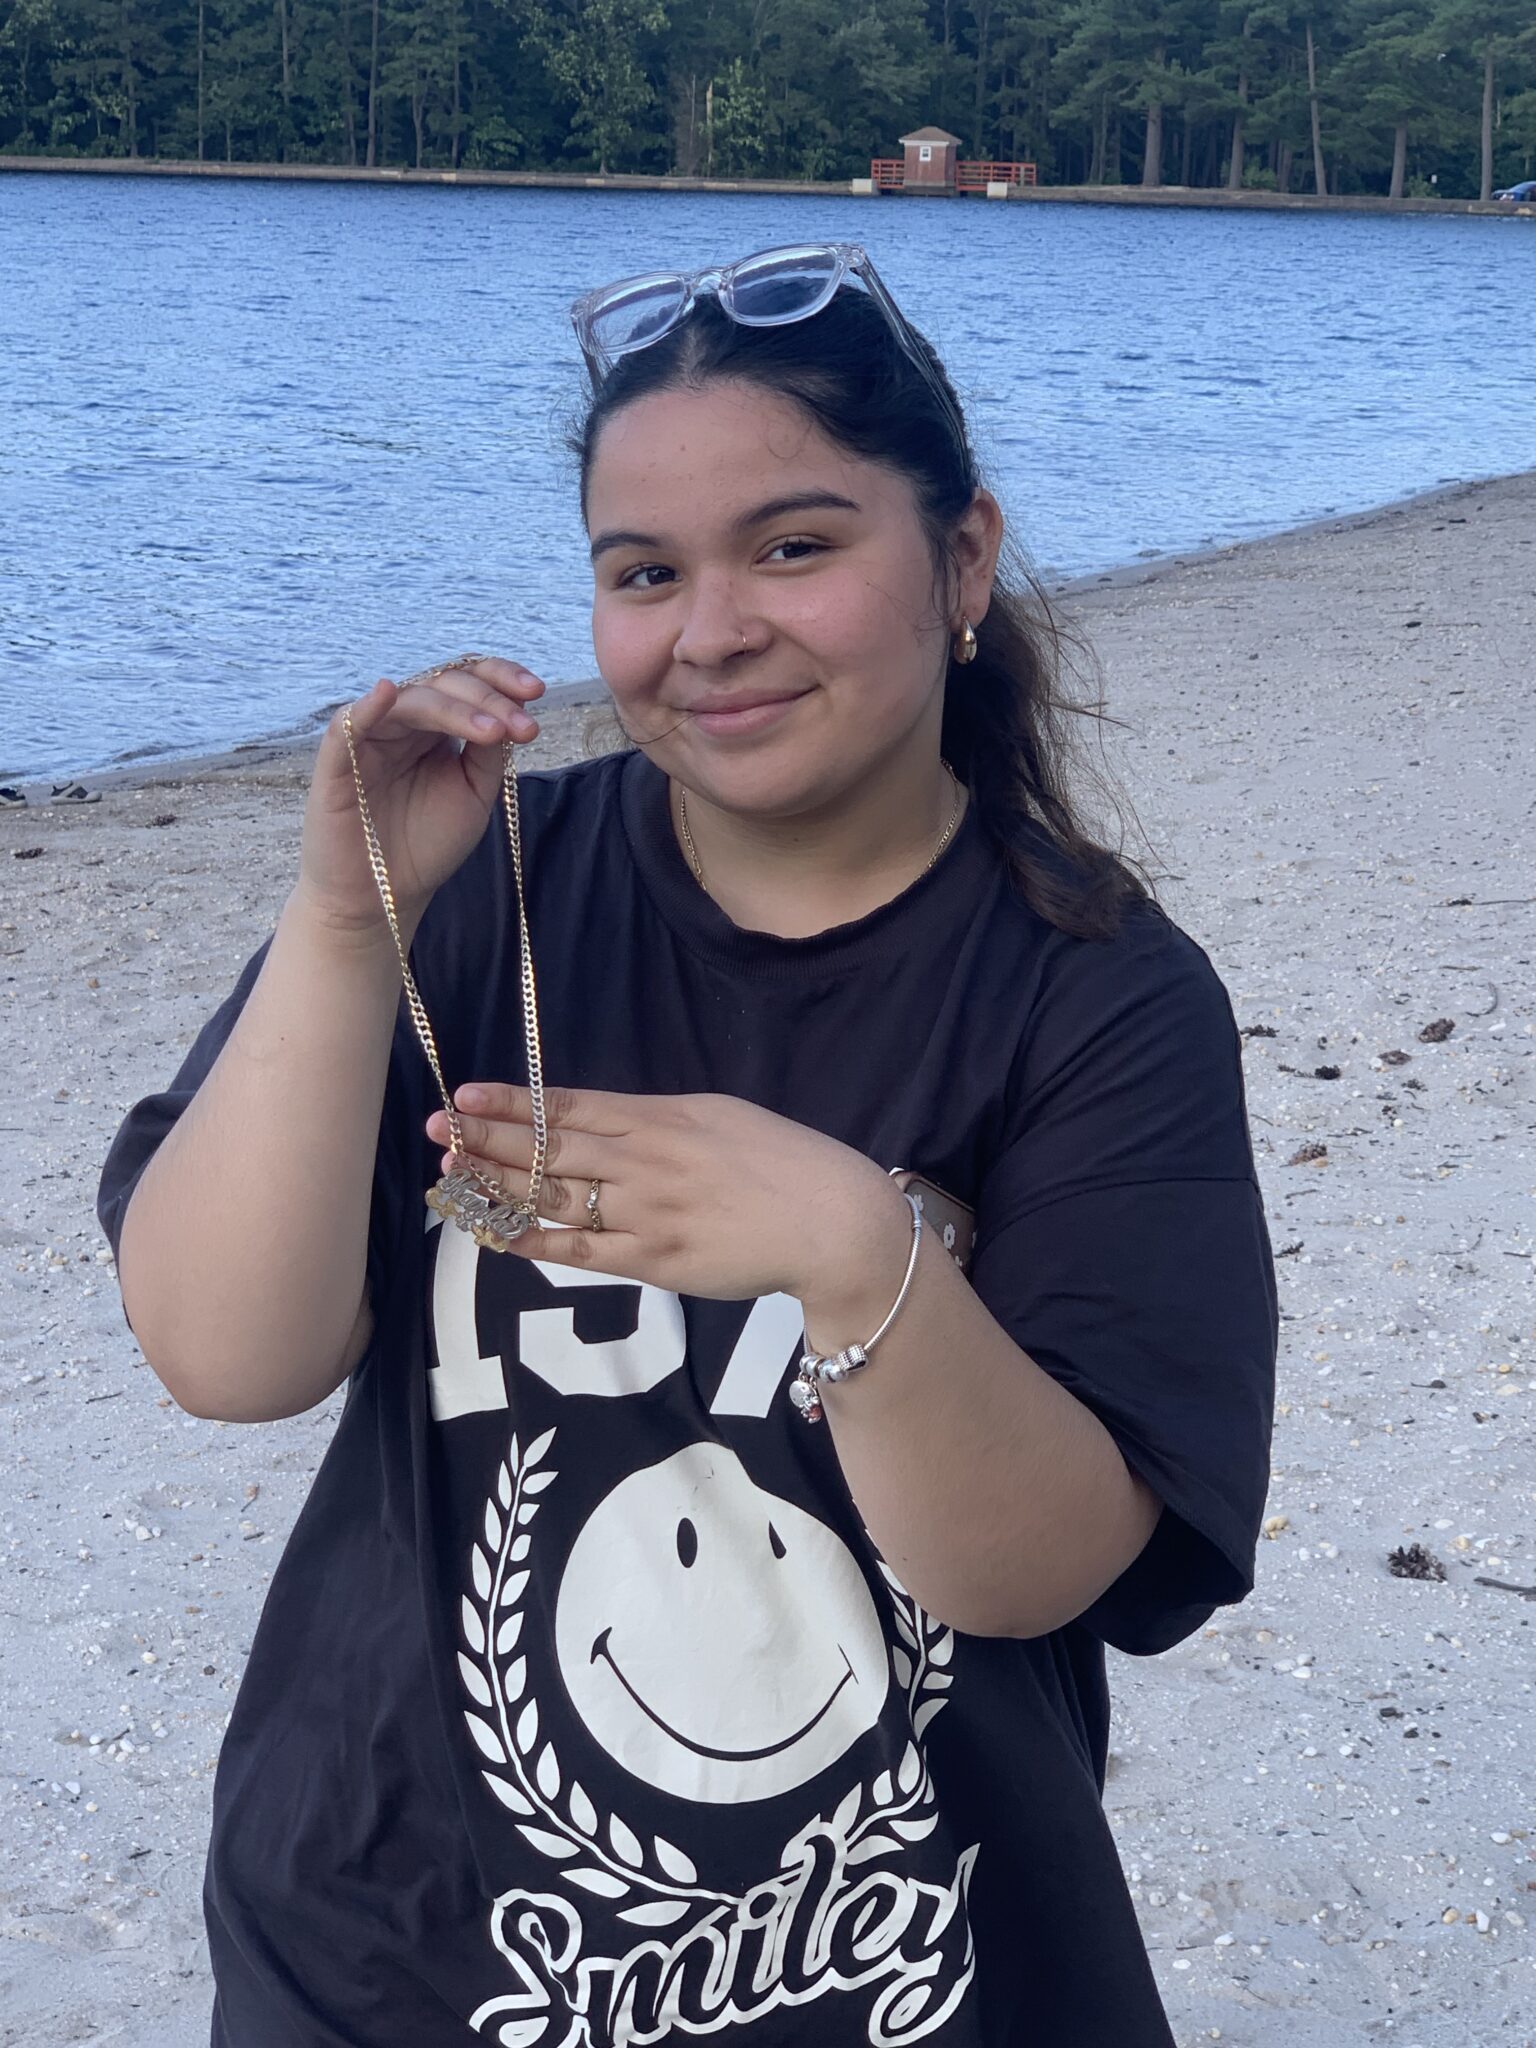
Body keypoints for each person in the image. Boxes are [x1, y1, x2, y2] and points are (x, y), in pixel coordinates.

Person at [97, 243, 1277, 2048]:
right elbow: (225, 1351)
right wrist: (347, 923)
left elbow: (1043, 1570)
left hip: (906, 1967)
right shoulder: (474, 891)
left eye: (795, 547)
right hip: (388, 1949)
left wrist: (851, 1244)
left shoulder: (1097, 998)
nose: (709, 629)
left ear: (961, 559)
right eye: (644, 573)